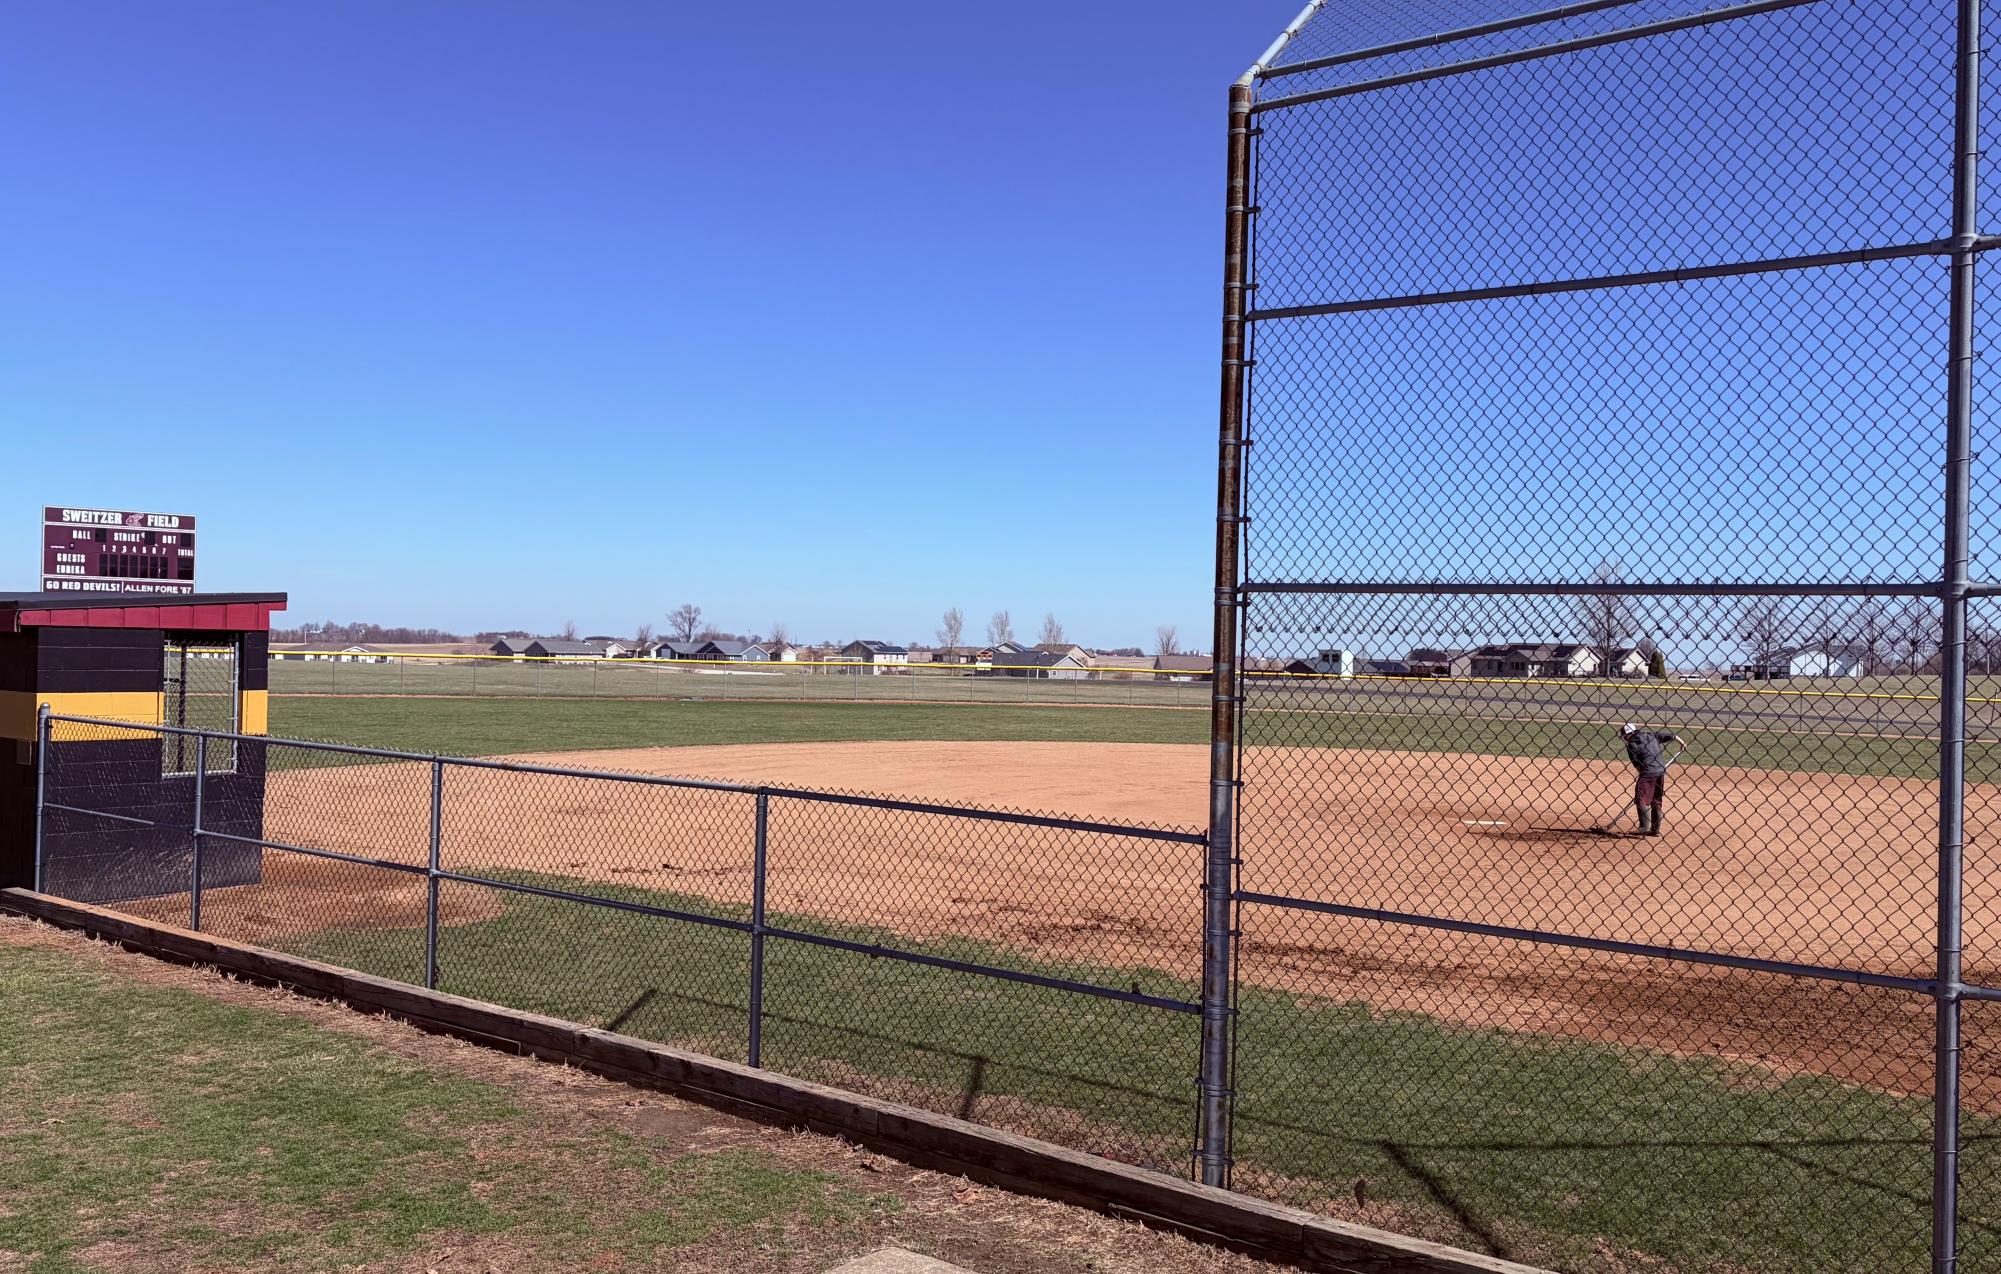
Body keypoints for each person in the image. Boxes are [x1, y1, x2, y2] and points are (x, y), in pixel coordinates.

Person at [1619, 722, 1676, 836]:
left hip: (1648, 772)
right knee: (1656, 799)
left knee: (1641, 797)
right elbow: (1672, 735)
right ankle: (1655, 830)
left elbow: (1639, 767)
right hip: (1660, 771)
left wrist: (1644, 776)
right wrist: (1682, 743)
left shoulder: (1632, 745)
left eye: (1625, 737)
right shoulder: (1651, 735)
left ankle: (1644, 827)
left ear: (1628, 735)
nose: (1625, 739)